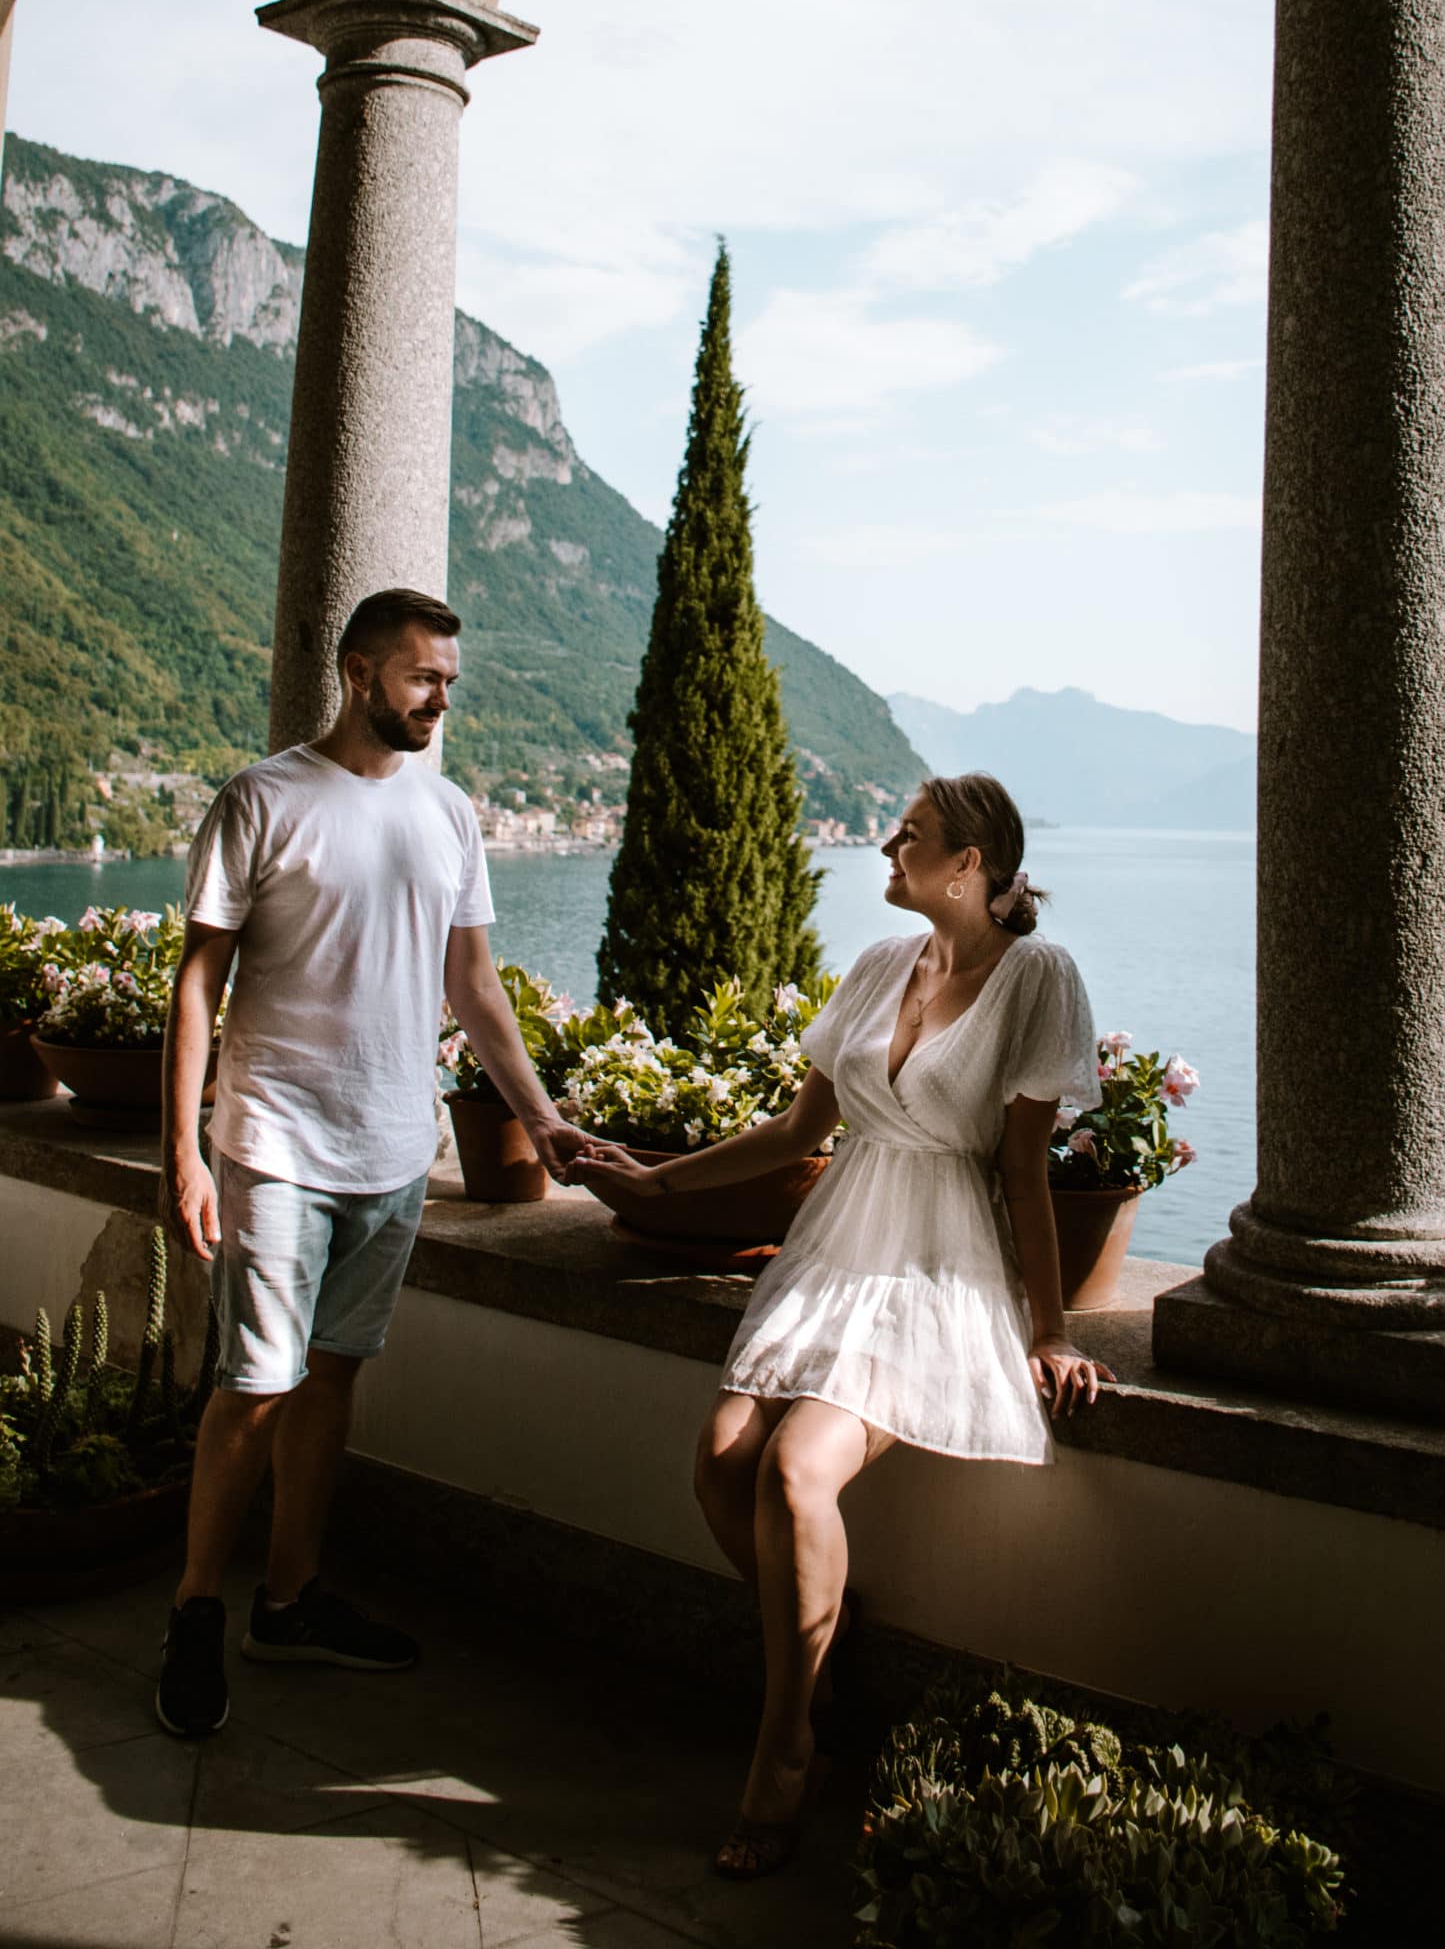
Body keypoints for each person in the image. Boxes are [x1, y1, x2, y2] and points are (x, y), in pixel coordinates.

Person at [584, 771, 1111, 1880]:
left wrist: (1053, 1330)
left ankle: (785, 1748)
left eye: (909, 835)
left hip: (934, 1260)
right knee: (721, 1461)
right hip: (836, 1244)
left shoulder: (1039, 978)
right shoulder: (880, 965)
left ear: (970, 865)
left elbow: (1024, 1172)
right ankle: (821, 1639)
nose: (887, 842)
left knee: (793, 1473)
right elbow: (797, 1128)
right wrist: (657, 1179)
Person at [154, 586, 600, 1741]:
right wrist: (184, 1151)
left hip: (395, 1152)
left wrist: (538, 1114)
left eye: (451, 680)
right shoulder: (264, 799)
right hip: (276, 1144)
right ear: (358, 672)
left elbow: (475, 986)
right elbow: (198, 981)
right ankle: (196, 1610)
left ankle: (289, 1602)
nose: (441, 698)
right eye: (422, 678)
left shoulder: (450, 814)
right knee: (254, 1385)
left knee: (333, 1376)